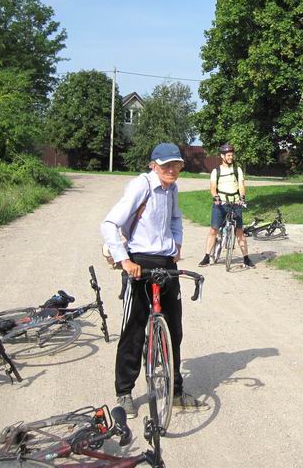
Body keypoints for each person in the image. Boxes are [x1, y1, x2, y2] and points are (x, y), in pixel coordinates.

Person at [101, 142, 205, 417]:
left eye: (177, 165)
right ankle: (124, 393)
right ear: (153, 165)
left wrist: (178, 244)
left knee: (175, 331)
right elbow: (109, 224)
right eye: (166, 165)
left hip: (167, 263)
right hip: (140, 263)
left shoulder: (172, 188)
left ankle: (176, 391)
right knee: (134, 330)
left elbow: (175, 219)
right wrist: (125, 261)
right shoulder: (141, 186)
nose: (172, 170)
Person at [198, 143, 254, 269]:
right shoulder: (216, 171)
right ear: (222, 156)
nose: (231, 157)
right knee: (213, 230)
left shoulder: (237, 170)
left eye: (232, 155)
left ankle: (246, 258)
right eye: (228, 155)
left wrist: (242, 197)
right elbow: (213, 188)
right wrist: (216, 197)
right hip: (221, 203)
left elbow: (241, 185)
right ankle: (206, 257)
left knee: (240, 232)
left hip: (235, 203)